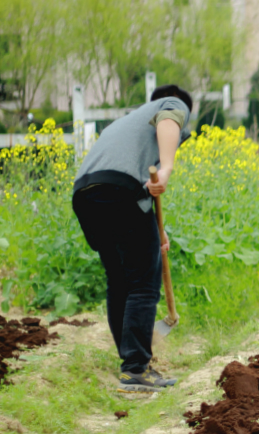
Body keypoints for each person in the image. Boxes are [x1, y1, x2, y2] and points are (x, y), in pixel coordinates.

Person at [71, 85, 191, 394]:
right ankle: (136, 368)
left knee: (120, 280)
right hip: (120, 191)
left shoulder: (126, 123)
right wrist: (167, 168)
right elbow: (170, 117)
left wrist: (156, 230)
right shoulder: (171, 102)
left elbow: (129, 182)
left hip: (86, 194)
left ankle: (131, 364)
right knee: (143, 282)